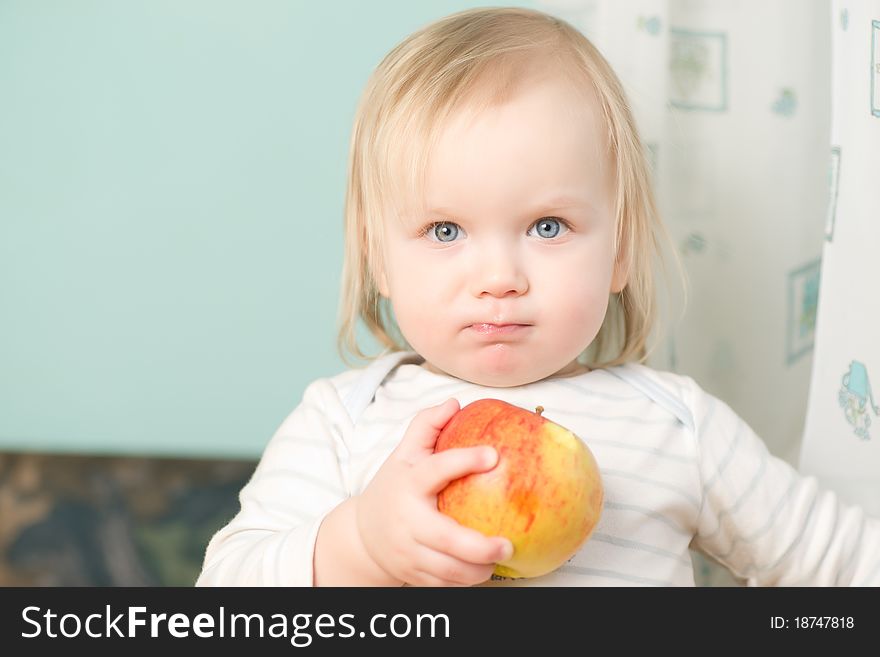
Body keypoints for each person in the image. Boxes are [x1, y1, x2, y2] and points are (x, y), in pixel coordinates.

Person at [196, 7, 880, 587]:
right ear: (378, 256)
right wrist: (359, 544)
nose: (500, 277)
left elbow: (844, 563)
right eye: (444, 229)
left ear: (618, 252)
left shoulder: (679, 428)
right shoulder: (344, 421)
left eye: (547, 226)